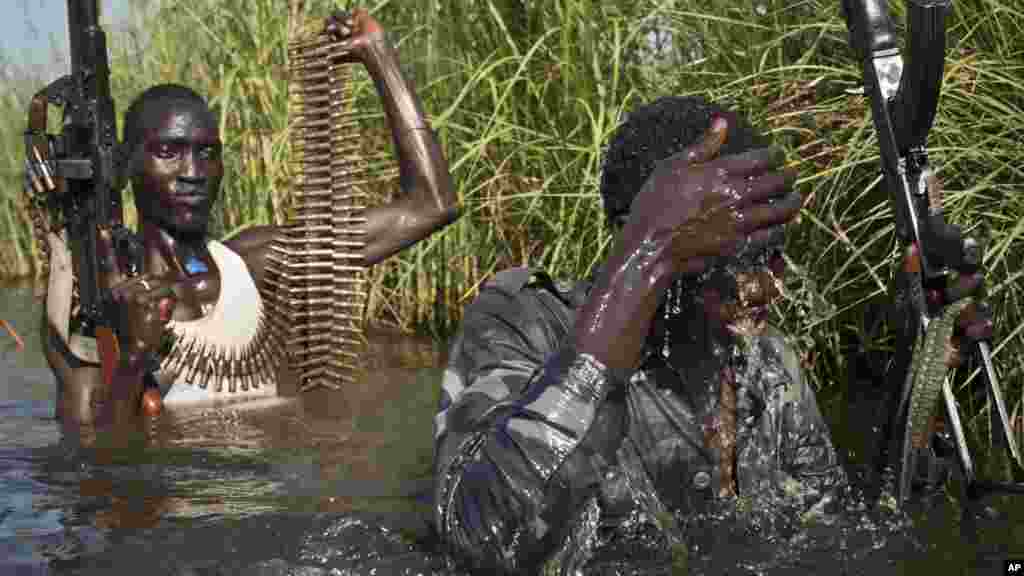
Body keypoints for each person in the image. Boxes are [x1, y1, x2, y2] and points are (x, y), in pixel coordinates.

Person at [431, 96, 988, 573]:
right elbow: (484, 541)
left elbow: (840, 534)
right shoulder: (526, 321)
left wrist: (921, 364)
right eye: (744, 258)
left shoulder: (763, 364)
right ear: (661, 240)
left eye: (776, 256)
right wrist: (645, 261)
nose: (768, 286)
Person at [42, 8, 459, 429]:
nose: (193, 173)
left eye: (207, 154)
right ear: (127, 166)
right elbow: (91, 472)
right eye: (169, 152)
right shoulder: (97, 305)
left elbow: (431, 205)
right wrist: (132, 361)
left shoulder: (259, 265)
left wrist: (379, 55)